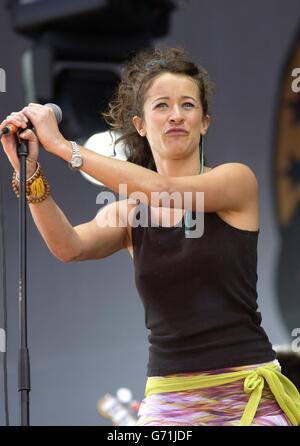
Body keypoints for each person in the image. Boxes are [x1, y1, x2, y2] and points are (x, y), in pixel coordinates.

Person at [1, 46, 300, 426]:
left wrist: (64, 147)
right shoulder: (130, 212)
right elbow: (68, 246)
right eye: (162, 105)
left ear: (204, 122)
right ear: (140, 124)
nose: (176, 115)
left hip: (245, 393)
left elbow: (166, 190)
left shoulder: (235, 181)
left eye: (188, 105)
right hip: (168, 399)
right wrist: (30, 174)